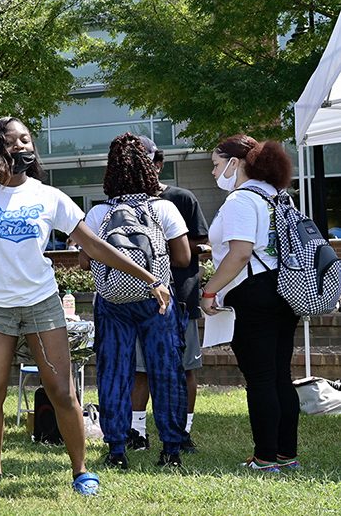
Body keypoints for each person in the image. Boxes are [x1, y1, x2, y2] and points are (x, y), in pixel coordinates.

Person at [0, 117, 170, 496]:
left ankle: (81, 472)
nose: (23, 147)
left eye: (27, 140)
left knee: (62, 391)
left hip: (42, 305)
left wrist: (149, 278)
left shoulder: (49, 197)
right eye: (14, 141)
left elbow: (94, 245)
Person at [77, 133, 190, 469]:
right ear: (148, 168)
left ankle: (116, 450)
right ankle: (171, 449)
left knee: (114, 372)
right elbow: (183, 258)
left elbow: (84, 261)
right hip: (157, 299)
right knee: (165, 371)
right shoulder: (163, 208)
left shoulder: (99, 213)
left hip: (112, 301)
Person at [200, 135, 300, 471]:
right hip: (284, 288)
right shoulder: (277, 195)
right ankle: (286, 454)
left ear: (235, 162)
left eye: (216, 164)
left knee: (260, 378)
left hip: (252, 292)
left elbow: (240, 253)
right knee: (280, 375)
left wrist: (210, 290)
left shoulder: (241, 199)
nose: (214, 172)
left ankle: (265, 458)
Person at [127, 138, 210, 454]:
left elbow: (202, 243)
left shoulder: (181, 199)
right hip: (137, 299)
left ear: (158, 165)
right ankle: (137, 433)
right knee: (140, 370)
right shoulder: (121, 203)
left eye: (145, 164)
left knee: (184, 368)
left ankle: (183, 434)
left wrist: (175, 246)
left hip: (180, 297)